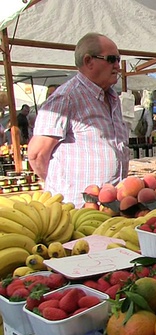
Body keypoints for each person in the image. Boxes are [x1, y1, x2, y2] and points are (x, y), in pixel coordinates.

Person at [28, 33, 129, 207]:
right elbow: (37, 154)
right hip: (76, 207)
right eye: (112, 59)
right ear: (89, 61)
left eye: (118, 60)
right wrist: (60, 183)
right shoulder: (66, 98)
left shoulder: (112, 98)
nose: (117, 66)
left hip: (111, 204)